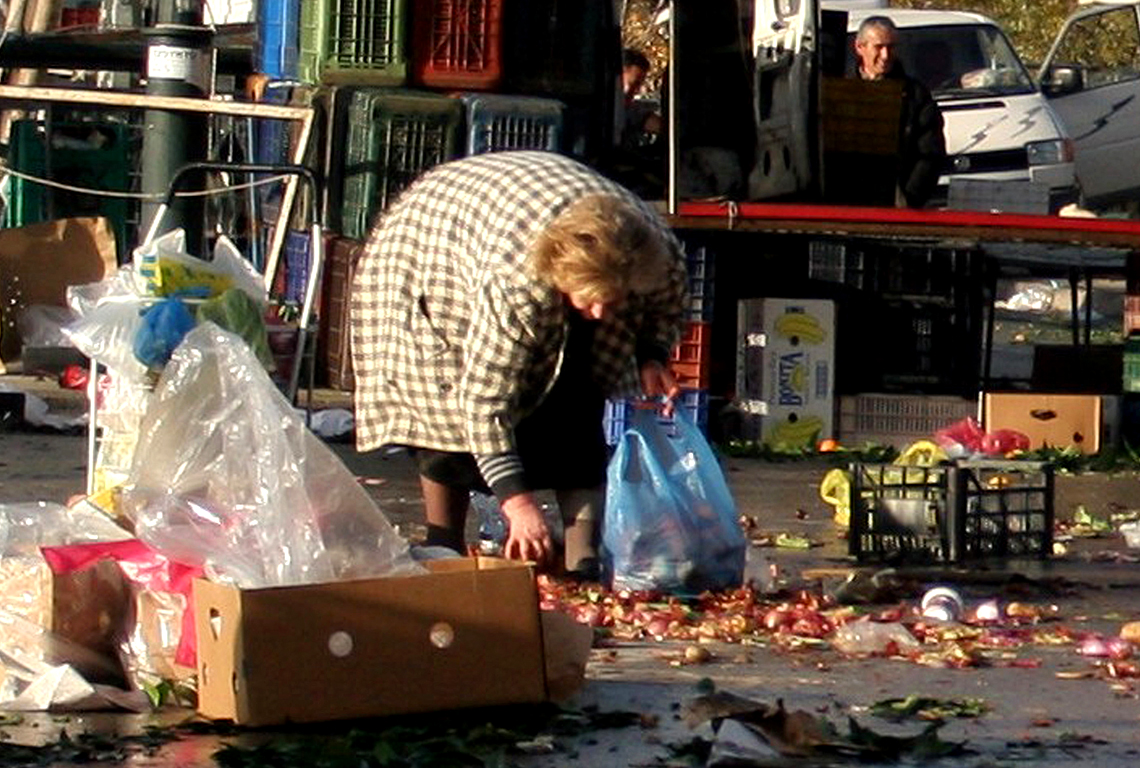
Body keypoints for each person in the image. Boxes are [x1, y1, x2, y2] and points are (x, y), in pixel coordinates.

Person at [351, 151, 688, 577]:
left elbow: (665, 305)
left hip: (531, 210)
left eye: (613, 299)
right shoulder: (515, 282)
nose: (601, 312)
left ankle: (583, 555)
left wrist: (651, 355)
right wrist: (518, 504)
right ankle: (443, 543)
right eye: (591, 299)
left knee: (577, 399)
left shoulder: (654, 254)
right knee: (444, 407)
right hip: (431, 248)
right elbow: (483, 404)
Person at [853, 16, 946, 208]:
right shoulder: (838, 90)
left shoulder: (916, 95)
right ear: (860, 47)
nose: (886, 55)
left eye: (891, 47)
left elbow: (931, 153)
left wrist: (909, 199)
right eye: (879, 47)